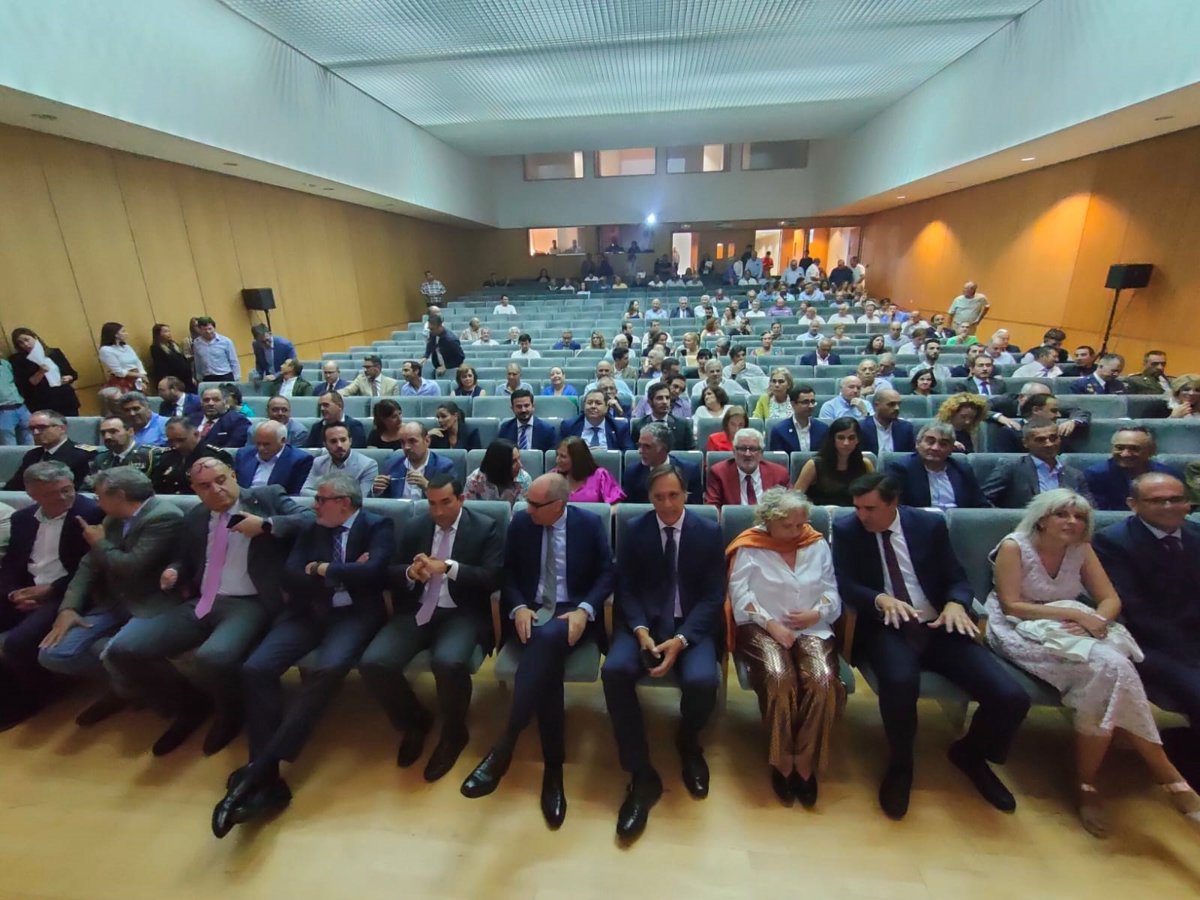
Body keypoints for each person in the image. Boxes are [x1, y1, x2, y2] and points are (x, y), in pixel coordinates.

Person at [985, 488, 1200, 836]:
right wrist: (1074, 614)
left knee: (1104, 679)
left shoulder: (1081, 549)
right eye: (1062, 514)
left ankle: (1088, 783)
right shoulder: (1015, 546)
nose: (1072, 522)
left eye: (1079, 517)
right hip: (1018, 627)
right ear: (1042, 519)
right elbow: (1011, 605)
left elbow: (1110, 598)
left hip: (1073, 624)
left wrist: (1097, 620)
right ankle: (1166, 776)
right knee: (1114, 668)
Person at [833, 474, 1030, 820]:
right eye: (857, 507)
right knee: (899, 682)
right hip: (887, 627)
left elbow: (956, 577)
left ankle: (971, 754)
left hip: (939, 625)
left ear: (894, 502)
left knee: (1011, 697)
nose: (861, 515)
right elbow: (844, 583)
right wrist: (879, 598)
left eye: (870, 508)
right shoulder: (848, 529)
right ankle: (901, 765)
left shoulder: (928, 525)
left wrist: (956, 603)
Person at [211, 473, 394, 837]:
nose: (314, 505)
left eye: (321, 499)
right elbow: (291, 575)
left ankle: (257, 771)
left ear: (344, 503)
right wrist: (343, 572)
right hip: (308, 613)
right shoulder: (313, 527)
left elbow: (374, 572)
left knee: (329, 669)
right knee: (257, 668)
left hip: (355, 616)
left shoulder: (378, 525)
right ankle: (268, 778)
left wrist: (322, 568)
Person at [103, 458, 312, 755]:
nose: (215, 489)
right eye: (204, 486)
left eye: (221, 480)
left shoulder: (266, 496)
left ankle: (230, 712)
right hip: (203, 601)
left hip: (249, 602)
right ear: (195, 489)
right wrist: (174, 570)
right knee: (124, 649)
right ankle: (189, 704)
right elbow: (185, 559)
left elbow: (309, 520)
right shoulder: (197, 516)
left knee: (213, 657)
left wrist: (267, 525)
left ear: (233, 475)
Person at [460, 475, 615, 829]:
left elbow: (608, 574)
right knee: (547, 664)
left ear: (559, 505)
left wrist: (585, 610)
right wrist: (517, 608)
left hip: (572, 613)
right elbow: (508, 573)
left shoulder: (589, 524)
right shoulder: (521, 523)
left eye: (535, 504)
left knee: (546, 643)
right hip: (531, 613)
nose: (527, 509)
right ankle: (553, 770)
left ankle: (506, 745)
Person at [601, 465, 724, 840]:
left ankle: (688, 742)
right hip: (643, 624)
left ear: (686, 494)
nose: (667, 504)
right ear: (649, 498)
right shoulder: (635, 530)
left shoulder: (708, 531)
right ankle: (640, 770)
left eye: (673, 495)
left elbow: (713, 596)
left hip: (691, 626)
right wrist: (640, 631)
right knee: (614, 671)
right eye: (658, 497)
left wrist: (682, 639)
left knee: (703, 680)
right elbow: (626, 588)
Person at [359, 474, 503, 781]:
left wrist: (449, 568)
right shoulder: (416, 526)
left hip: (462, 612)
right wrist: (410, 573)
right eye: (432, 503)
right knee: (374, 662)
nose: (438, 511)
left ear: (461, 499)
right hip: (418, 609)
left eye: (445, 503)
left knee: (448, 662)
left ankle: (454, 733)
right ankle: (415, 722)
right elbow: (390, 571)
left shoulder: (486, 527)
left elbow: (492, 578)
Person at [39, 469, 185, 728]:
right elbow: (88, 565)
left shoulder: (164, 516)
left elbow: (132, 566)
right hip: (112, 601)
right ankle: (127, 688)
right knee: (53, 654)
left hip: (149, 602)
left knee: (113, 651)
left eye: (100, 496)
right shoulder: (113, 518)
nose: (97, 503)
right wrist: (68, 608)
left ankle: (142, 693)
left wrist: (99, 544)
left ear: (119, 495)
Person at [727, 487, 843, 806]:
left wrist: (817, 612)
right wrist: (771, 625)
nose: (796, 532)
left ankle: (804, 760)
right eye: (787, 526)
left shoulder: (816, 543)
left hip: (812, 626)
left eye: (800, 524)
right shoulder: (751, 545)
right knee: (780, 678)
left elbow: (831, 590)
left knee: (823, 681)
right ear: (768, 522)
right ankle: (781, 759)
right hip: (762, 626)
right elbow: (740, 596)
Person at [1094, 474, 1200, 778]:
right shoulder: (1112, 542)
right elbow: (1134, 608)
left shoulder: (1196, 535)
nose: (1169, 506)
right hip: (1148, 642)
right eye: (1157, 500)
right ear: (1133, 504)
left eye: (1176, 499)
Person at [0, 461, 104, 729]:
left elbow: (92, 569)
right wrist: (12, 593)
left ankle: (34, 697)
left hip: (66, 592)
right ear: (32, 494)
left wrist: (51, 590)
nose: (63, 497)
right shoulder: (23, 519)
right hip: (28, 587)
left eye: (66, 490)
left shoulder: (92, 514)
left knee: (17, 643)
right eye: (51, 493)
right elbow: (11, 563)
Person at [981, 423, 1091, 508]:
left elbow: (1089, 508)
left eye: (1053, 438)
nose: (1049, 444)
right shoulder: (1011, 468)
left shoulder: (1074, 475)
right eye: (1040, 440)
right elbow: (983, 500)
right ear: (1025, 443)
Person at [885, 423, 991, 509]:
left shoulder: (962, 470)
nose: (935, 448)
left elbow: (981, 504)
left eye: (943, 444)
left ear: (951, 449)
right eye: (930, 442)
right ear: (917, 444)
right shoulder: (901, 469)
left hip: (959, 525)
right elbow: (896, 507)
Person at [1082, 426, 1182, 510]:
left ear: (1152, 451)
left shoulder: (1170, 476)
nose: (1125, 454)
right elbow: (1099, 513)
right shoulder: (1095, 475)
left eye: (1134, 449)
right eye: (1119, 448)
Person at [4, 410, 94, 491]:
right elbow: (14, 485)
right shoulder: (32, 455)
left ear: (62, 428)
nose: (36, 432)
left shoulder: (82, 454)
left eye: (42, 427)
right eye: (32, 428)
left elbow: (79, 489)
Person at [794, 417, 875, 506]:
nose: (846, 443)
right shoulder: (814, 465)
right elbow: (795, 498)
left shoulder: (865, 464)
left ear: (858, 440)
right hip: (822, 512)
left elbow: (874, 498)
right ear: (832, 439)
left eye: (851, 438)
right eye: (841, 438)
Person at [705, 428, 790, 508]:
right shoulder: (719, 473)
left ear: (761, 453)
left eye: (753, 449)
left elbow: (790, 507)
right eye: (742, 449)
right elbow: (713, 510)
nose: (747, 454)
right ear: (734, 451)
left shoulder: (779, 474)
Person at [621, 423, 702, 505]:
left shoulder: (689, 472)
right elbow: (628, 509)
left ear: (663, 448)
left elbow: (696, 508)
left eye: (647, 446)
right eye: (639, 445)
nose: (640, 451)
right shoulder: (633, 473)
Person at [9, 327, 81, 417]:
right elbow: (25, 385)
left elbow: (73, 373)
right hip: (43, 403)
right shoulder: (18, 360)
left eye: (27, 340)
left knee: (74, 423)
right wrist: (40, 372)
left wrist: (69, 377)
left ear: (35, 337)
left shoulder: (54, 353)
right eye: (20, 343)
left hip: (65, 398)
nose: (25, 344)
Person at [150, 416, 232, 495]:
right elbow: (156, 487)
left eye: (181, 440)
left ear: (196, 434)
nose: (176, 446)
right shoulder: (167, 456)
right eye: (171, 441)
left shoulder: (215, 456)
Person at [374, 421, 454, 500]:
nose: (406, 447)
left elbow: (450, 499)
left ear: (427, 441)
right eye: (402, 442)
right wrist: (377, 490)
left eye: (412, 441)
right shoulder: (391, 465)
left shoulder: (444, 466)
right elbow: (383, 501)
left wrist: (428, 487)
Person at [234, 420, 313, 496]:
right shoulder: (244, 455)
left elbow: (295, 495)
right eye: (258, 443)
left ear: (283, 441)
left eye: (266, 444)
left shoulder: (300, 460)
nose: (261, 448)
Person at [301, 423, 377, 498]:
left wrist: (326, 496)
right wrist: (334, 497)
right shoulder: (318, 462)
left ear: (350, 441)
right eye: (333, 441)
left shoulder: (368, 465)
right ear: (325, 444)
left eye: (343, 440)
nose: (339, 445)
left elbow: (361, 498)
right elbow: (304, 491)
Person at [83, 416, 156, 491]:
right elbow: (88, 488)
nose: (107, 437)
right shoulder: (101, 458)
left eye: (113, 431)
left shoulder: (149, 455)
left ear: (130, 432)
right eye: (103, 433)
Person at [97, 321, 150, 413]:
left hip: (137, 378)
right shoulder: (106, 350)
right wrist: (139, 375)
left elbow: (138, 362)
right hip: (123, 381)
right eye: (123, 331)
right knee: (128, 406)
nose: (126, 333)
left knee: (144, 404)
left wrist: (142, 375)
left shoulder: (127, 347)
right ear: (115, 334)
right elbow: (118, 371)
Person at [554, 436, 625, 503]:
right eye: (557, 455)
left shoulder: (600, 476)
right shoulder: (553, 477)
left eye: (563, 456)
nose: (557, 460)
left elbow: (615, 505)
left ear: (576, 458)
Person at [558, 389, 633, 451]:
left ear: (607, 407)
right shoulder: (569, 426)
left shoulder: (619, 427)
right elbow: (559, 452)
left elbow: (628, 454)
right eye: (589, 403)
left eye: (598, 403)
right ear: (583, 406)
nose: (593, 406)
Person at [630, 382, 693, 451]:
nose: (665, 402)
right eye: (660, 398)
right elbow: (635, 453)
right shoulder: (639, 425)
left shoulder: (683, 425)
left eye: (667, 398)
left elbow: (691, 453)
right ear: (650, 402)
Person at [464, 439, 531, 503]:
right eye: (514, 461)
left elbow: (524, 510)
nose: (520, 465)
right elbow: (467, 507)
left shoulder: (524, 479)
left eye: (519, 459)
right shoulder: (475, 480)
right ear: (499, 464)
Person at [769, 385, 830, 454]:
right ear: (793, 404)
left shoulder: (823, 429)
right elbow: (778, 458)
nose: (810, 406)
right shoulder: (779, 430)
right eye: (805, 402)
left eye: (812, 402)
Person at [857, 389, 914, 455]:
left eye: (898, 404)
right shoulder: (861, 427)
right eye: (891, 404)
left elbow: (911, 456)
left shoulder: (906, 428)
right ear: (876, 405)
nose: (897, 408)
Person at [191, 317, 241, 383]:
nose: (208, 332)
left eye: (210, 329)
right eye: (204, 329)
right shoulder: (196, 343)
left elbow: (233, 361)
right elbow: (198, 361)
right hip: (208, 378)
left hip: (225, 376)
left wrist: (236, 378)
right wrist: (199, 377)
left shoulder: (226, 341)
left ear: (214, 328)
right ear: (200, 330)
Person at [0, 357, 32, 446]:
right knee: (9, 445)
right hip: (3, 411)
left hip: (21, 407)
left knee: (30, 441)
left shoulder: (5, 364)